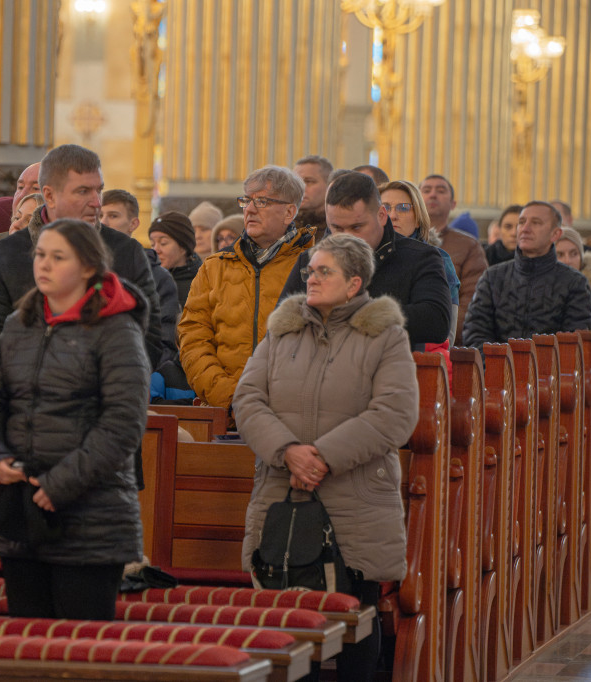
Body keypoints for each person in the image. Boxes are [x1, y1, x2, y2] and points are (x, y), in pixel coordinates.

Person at [234, 234, 418, 681]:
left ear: (354, 283)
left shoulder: (385, 336)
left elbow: (395, 413)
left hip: (354, 498)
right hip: (284, 493)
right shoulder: (283, 329)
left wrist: (321, 458)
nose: (310, 278)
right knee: (286, 616)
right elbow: (248, 399)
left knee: (355, 615)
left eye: (323, 271)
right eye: (309, 270)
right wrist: (288, 452)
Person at [0, 219, 149, 620]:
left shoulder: (116, 329)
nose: (44, 265)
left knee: (80, 649)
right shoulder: (17, 325)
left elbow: (123, 422)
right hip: (21, 509)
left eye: (58, 257)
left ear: (88, 267)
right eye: (40, 255)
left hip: (91, 515)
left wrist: (59, 484)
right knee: (28, 644)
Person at [0, 144, 163, 369]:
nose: (97, 202)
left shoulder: (127, 252)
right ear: (49, 195)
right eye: (83, 191)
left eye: (99, 190)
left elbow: (151, 335)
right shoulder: (5, 254)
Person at [178, 166, 314, 410]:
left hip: (290, 414)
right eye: (246, 201)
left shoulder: (315, 266)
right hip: (224, 410)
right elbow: (193, 337)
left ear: (289, 212)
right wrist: (227, 396)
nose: (249, 209)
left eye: (262, 201)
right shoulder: (214, 267)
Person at [279, 172, 451, 349]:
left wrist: (356, 315)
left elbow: (437, 322)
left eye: (356, 227)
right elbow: (281, 327)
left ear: (381, 215)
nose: (346, 238)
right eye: (337, 228)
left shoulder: (419, 257)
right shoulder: (309, 260)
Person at [462, 201, 591, 348]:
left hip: (550, 369)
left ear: (555, 234)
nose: (525, 229)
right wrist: (498, 366)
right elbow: (475, 330)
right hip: (496, 367)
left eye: (536, 223)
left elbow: (575, 341)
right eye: (522, 222)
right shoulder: (493, 277)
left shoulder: (574, 283)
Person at [100, 189, 180, 368]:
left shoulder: (158, 277)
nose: (103, 222)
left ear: (133, 223)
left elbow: (162, 340)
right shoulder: (84, 269)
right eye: (99, 216)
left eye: (113, 216)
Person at [378, 179, 460, 345]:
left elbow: (446, 335)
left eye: (403, 208)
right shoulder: (366, 256)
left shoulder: (438, 259)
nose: (393, 215)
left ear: (418, 219)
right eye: (385, 208)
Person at [420, 174, 487, 345]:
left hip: (447, 341)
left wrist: (441, 337)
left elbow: (471, 300)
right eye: (426, 190)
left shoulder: (468, 245)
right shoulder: (401, 239)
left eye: (440, 190)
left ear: (453, 204)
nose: (433, 195)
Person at [149, 211, 202, 309]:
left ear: (183, 248)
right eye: (152, 244)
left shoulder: (202, 284)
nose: (156, 250)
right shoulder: (148, 281)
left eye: (163, 243)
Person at [294, 155, 333, 241]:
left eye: (308, 181)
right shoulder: (284, 225)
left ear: (329, 185)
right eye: (296, 181)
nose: (300, 188)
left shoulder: (336, 228)